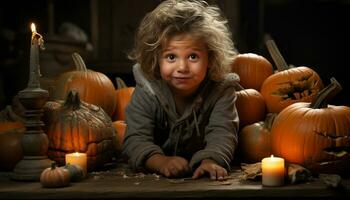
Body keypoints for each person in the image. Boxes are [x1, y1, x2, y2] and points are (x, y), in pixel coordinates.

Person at [122, 0, 239, 181]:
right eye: (171, 57)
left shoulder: (221, 90)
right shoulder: (148, 90)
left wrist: (211, 160)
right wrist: (159, 161)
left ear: (211, 58)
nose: (182, 67)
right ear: (156, 59)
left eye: (193, 56)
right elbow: (136, 138)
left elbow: (223, 132)